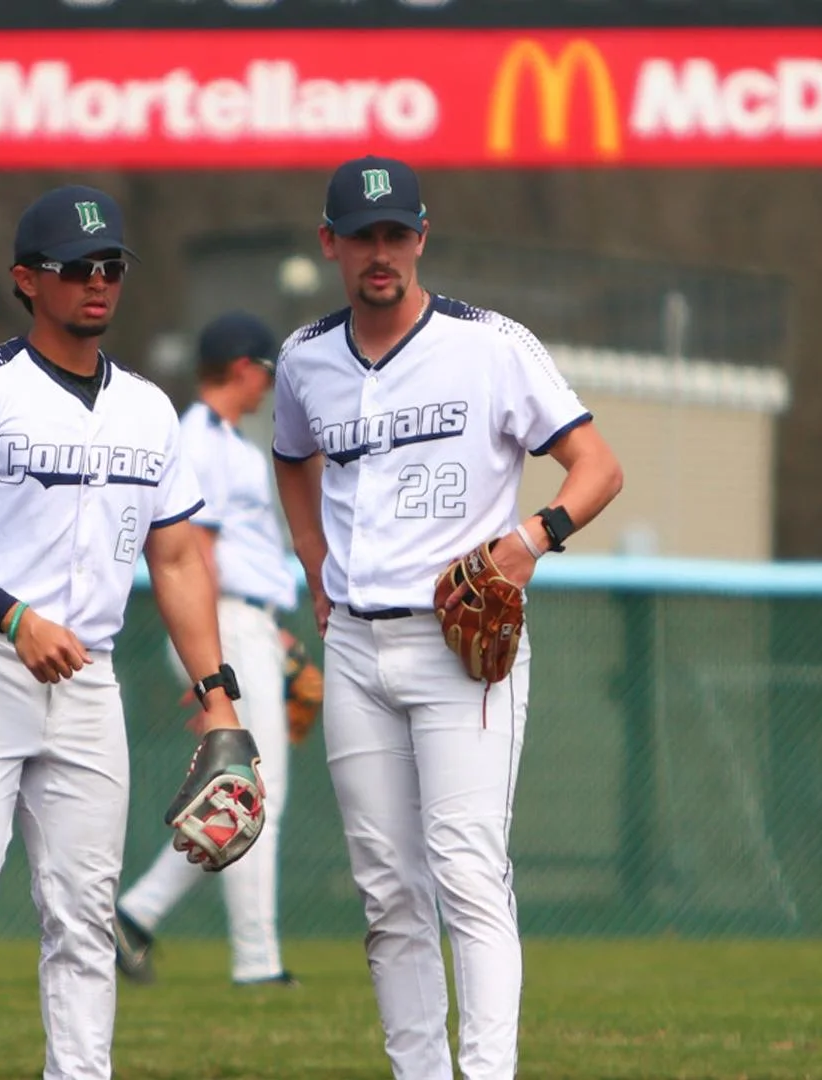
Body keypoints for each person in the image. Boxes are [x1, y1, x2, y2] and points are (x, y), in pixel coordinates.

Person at [0, 184, 253, 1080]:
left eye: (110, 266)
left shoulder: (150, 411)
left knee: (84, 912)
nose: (97, 282)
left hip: (90, 679)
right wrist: (11, 616)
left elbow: (181, 560)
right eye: (75, 267)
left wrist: (218, 698)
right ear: (25, 280)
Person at [270, 157, 624, 1080]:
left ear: (421, 237)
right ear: (330, 244)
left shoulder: (490, 345)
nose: (379, 253)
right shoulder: (305, 358)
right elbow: (290, 459)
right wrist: (314, 562)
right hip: (353, 645)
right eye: (361, 236)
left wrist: (532, 539)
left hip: (459, 646)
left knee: (466, 870)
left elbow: (597, 468)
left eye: (396, 234)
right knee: (388, 893)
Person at [113, 311, 302, 989]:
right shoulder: (205, 443)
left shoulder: (221, 439)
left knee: (236, 796)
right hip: (219, 624)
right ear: (245, 368)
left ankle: (134, 916)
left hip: (243, 623)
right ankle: (257, 963)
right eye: (265, 374)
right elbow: (199, 555)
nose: (266, 388)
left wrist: (270, 633)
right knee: (257, 796)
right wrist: (213, 676)